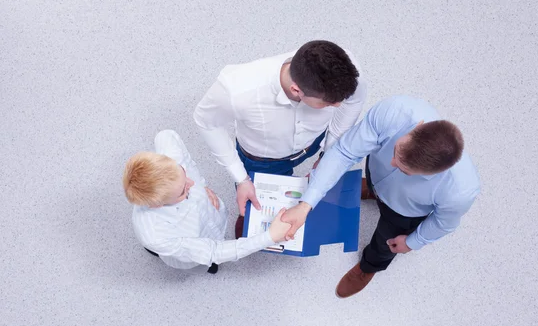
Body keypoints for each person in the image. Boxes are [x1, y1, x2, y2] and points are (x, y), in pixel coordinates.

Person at [282, 96, 480, 297]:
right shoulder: (396, 111)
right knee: (374, 176)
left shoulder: (460, 191)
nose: (392, 163)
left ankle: (368, 267)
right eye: (395, 152)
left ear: (432, 174)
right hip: (375, 176)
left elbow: (443, 223)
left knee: (385, 243)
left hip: (403, 212)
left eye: (404, 171)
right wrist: (307, 203)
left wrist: (413, 242)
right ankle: (371, 189)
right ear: (417, 127)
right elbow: (345, 152)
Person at [194, 40, 367, 238]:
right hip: (262, 160)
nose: (338, 106)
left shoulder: (347, 69)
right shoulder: (236, 89)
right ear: (296, 90)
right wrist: (241, 179)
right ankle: (250, 218)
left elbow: (353, 103)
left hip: (314, 141)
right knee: (257, 200)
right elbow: (207, 122)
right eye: (329, 103)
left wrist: (328, 152)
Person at [122, 130, 291, 274]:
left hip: (211, 216)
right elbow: (213, 251)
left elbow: (166, 135)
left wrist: (203, 186)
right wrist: (270, 237)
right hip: (191, 245)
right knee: (207, 259)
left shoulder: (170, 160)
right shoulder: (157, 235)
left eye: (183, 173)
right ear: (158, 204)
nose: (191, 184)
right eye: (183, 190)